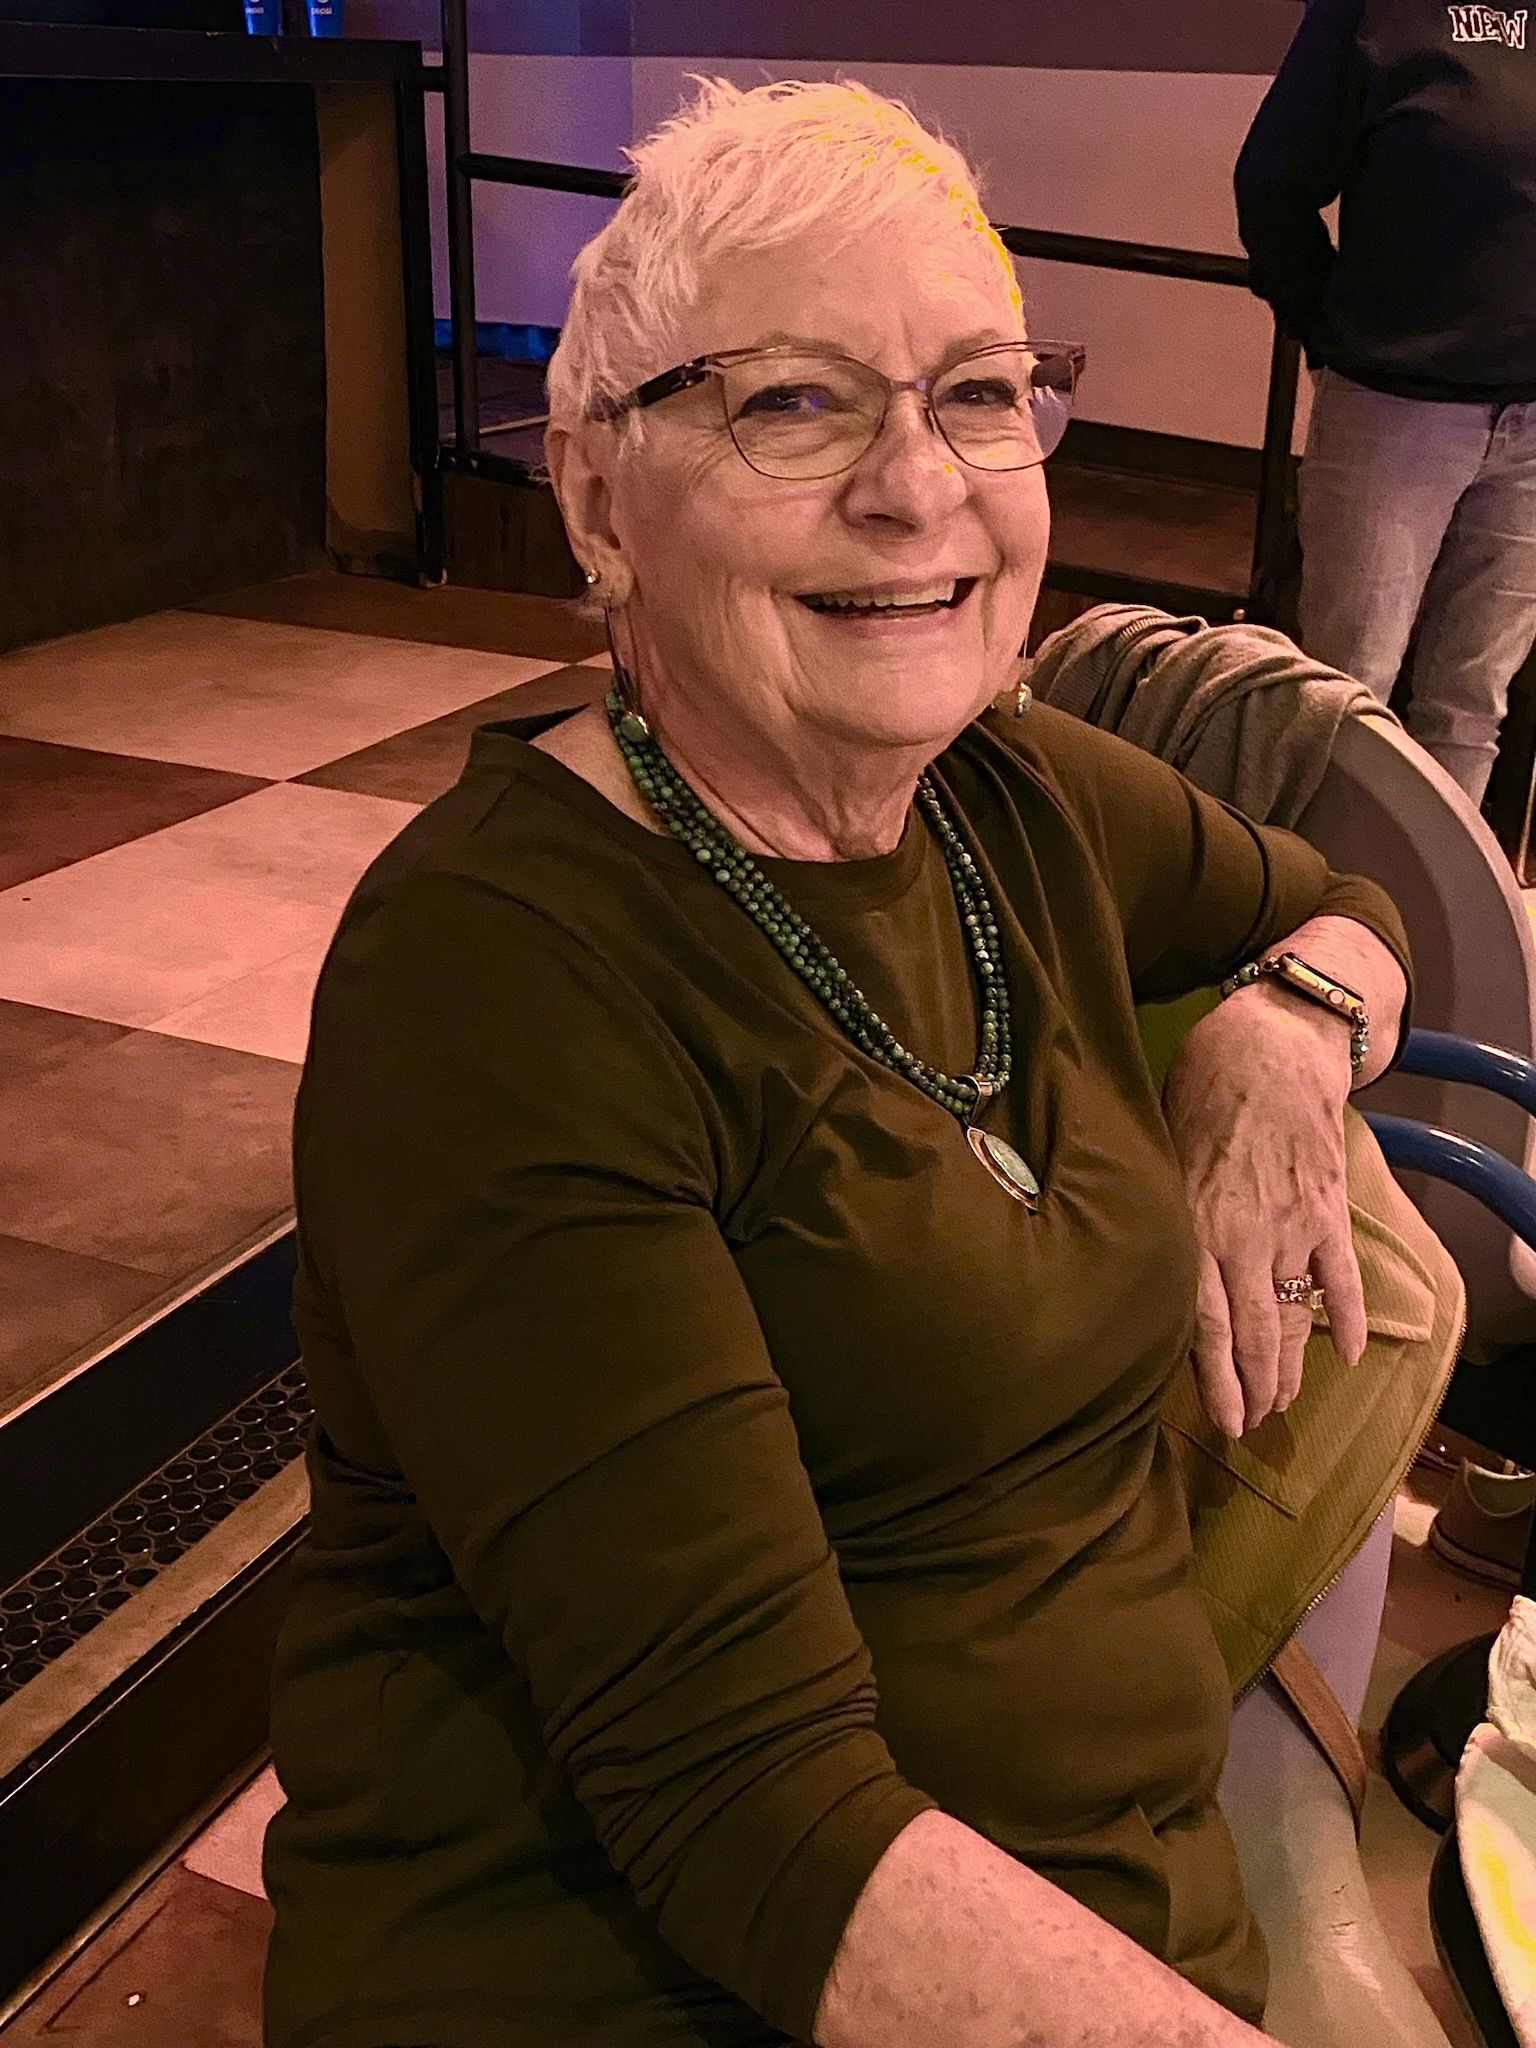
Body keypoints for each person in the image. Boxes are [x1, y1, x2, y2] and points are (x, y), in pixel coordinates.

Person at [263, 75, 1415, 2048]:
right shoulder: (496, 975)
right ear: (594, 497)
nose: (918, 485)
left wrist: (1285, 1033)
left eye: (978, 392)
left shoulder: (1014, 797)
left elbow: (1343, 903)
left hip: (1099, 1913)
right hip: (655, 1969)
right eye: (792, 402)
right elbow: (752, 1813)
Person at [1235, 0, 1536, 809]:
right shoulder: (1369, 10)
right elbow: (1272, 184)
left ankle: (1442, 890)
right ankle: (1321, 882)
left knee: (1472, 705)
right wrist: (1327, 331)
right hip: (1394, 416)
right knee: (1346, 692)